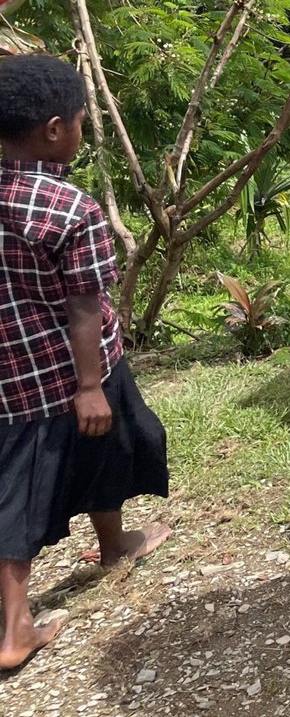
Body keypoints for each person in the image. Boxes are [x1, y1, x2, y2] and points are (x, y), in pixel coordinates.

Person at [0, 55, 171, 671]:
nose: (78, 130)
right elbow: (84, 308)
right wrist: (91, 385)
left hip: (8, 379)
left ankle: (113, 542)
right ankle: (14, 630)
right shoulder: (69, 209)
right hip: (71, 369)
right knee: (21, 496)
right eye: (77, 120)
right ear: (53, 129)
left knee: (102, 451)